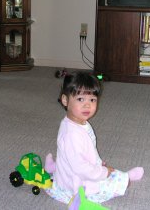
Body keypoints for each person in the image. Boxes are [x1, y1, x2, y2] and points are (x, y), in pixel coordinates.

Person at [44, 71, 144, 204]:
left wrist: (95, 161)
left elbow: (83, 151)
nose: (87, 105)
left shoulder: (76, 122)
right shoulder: (72, 134)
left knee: (99, 168)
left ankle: (55, 167)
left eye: (92, 100)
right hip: (77, 184)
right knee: (113, 180)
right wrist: (103, 172)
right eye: (80, 99)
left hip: (73, 170)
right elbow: (80, 168)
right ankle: (127, 179)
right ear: (65, 100)